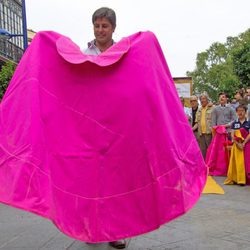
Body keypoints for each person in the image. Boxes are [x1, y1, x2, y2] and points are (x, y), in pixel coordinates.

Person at [84, 7, 126, 249]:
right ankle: (91, 228)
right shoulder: (83, 53)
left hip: (117, 127)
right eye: (97, 26)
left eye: (105, 26)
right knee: (90, 180)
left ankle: (114, 231)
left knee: (115, 180)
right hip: (88, 126)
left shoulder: (123, 53)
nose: (100, 30)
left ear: (113, 29)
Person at [224, 105, 250, 185]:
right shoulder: (234, 123)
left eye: (242, 110)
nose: (240, 112)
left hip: (247, 145)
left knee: (246, 162)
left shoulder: (248, 122)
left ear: (245, 112)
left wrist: (244, 143)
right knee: (237, 163)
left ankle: (246, 178)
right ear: (236, 112)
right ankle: (238, 179)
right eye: (238, 111)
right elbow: (232, 135)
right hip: (237, 145)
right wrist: (238, 143)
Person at [193, 93, 213, 159]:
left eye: (204, 98)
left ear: (207, 100)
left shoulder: (213, 108)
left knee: (211, 151)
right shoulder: (199, 110)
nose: (202, 100)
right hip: (201, 134)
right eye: (201, 99)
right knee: (202, 152)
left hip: (209, 134)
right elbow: (197, 123)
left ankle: (211, 167)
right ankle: (204, 167)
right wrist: (190, 130)